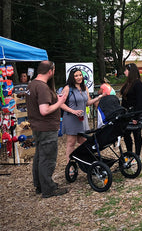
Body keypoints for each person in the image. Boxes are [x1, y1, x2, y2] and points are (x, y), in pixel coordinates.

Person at [26, 61, 69, 198]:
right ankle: (48, 189)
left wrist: (57, 99)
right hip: (46, 128)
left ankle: (40, 185)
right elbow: (44, 110)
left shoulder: (32, 84)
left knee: (39, 156)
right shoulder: (42, 87)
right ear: (50, 71)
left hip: (37, 127)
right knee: (47, 158)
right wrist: (60, 102)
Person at [61, 68, 104, 161]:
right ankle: (70, 165)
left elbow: (87, 103)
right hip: (71, 118)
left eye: (80, 75)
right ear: (72, 77)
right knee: (71, 142)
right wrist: (73, 111)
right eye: (76, 76)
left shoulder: (85, 88)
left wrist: (99, 97)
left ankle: (85, 161)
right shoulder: (67, 88)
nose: (79, 77)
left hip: (82, 119)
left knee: (84, 141)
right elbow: (60, 103)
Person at [120, 63, 142, 156]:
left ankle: (137, 155)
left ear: (131, 71)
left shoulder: (138, 84)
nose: (124, 72)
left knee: (136, 133)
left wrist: (136, 117)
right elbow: (124, 98)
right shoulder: (128, 83)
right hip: (128, 112)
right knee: (126, 133)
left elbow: (140, 101)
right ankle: (129, 154)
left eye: (126, 70)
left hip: (137, 111)